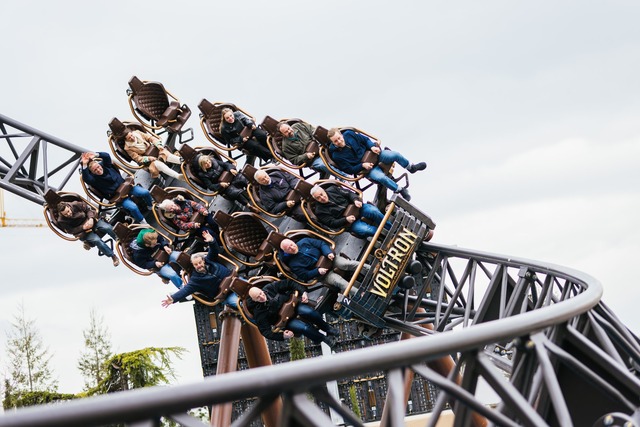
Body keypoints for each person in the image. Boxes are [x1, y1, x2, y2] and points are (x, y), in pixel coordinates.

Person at [327, 128, 427, 201]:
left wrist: (371, 147)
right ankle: (400, 190)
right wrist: (362, 166)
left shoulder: (349, 134)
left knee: (394, 154)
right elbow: (349, 169)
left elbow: (365, 140)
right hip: (367, 168)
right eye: (335, 141)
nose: (339, 141)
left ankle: (411, 167)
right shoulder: (337, 155)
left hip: (373, 155)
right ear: (333, 143)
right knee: (380, 178)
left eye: (339, 138)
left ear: (341, 134)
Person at [246, 279, 338, 347]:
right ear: (254, 300)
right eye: (258, 297)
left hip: (294, 306)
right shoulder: (259, 312)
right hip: (286, 321)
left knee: (310, 312)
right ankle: (324, 339)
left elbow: (289, 283)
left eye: (261, 293)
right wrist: (282, 336)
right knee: (304, 328)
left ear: (262, 290)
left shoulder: (269, 288)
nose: (262, 297)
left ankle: (328, 328)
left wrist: (303, 292)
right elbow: (265, 332)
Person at [161, 230, 236, 307]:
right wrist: (173, 298)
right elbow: (185, 290)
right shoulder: (195, 279)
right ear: (193, 266)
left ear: (203, 261)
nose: (199, 265)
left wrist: (211, 241)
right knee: (238, 303)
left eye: (200, 263)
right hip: (226, 293)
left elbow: (214, 250)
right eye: (196, 264)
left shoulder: (210, 260)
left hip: (234, 281)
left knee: (248, 288)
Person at [80, 151, 153, 224]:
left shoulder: (105, 165)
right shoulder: (94, 179)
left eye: (98, 167)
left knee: (145, 192)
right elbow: (86, 178)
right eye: (95, 170)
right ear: (92, 172)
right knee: (133, 207)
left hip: (127, 187)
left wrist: (95, 154)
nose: (98, 170)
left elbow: (106, 156)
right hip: (119, 197)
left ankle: (150, 206)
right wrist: (84, 164)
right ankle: (143, 222)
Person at [279, 238, 369, 294]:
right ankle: (360, 294)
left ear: (292, 241)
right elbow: (304, 275)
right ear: (286, 252)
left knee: (347, 264)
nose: (292, 247)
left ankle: (370, 269)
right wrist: (317, 271)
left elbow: (321, 244)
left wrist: (328, 252)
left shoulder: (304, 241)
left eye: (291, 244)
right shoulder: (293, 264)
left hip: (329, 259)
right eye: (288, 248)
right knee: (339, 282)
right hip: (323, 274)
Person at [310, 184, 391, 238]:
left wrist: (355, 200)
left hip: (357, 208)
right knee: (366, 230)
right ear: (315, 199)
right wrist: (345, 220)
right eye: (318, 198)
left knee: (373, 211)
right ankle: (387, 235)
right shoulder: (319, 211)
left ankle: (390, 228)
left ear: (323, 190)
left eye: (321, 194)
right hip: (349, 223)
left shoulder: (332, 189)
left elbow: (349, 193)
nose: (322, 198)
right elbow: (332, 223)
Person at [56, 200, 120, 267]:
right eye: (65, 214)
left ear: (68, 207)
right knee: (96, 240)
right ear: (61, 214)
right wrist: (83, 227)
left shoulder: (76, 204)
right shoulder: (61, 221)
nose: (68, 214)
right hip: (83, 231)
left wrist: (91, 219)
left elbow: (88, 210)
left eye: (68, 211)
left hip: (91, 221)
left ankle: (119, 239)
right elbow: (70, 230)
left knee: (107, 227)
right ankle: (113, 256)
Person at [277, 121, 347, 177]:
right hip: (312, 160)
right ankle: (345, 178)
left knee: (338, 151)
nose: (289, 131)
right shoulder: (285, 146)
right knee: (323, 165)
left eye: (289, 128)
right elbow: (294, 160)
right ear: (283, 135)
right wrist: (306, 156)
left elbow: (313, 131)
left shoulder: (298, 126)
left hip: (321, 148)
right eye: (286, 132)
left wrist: (315, 141)